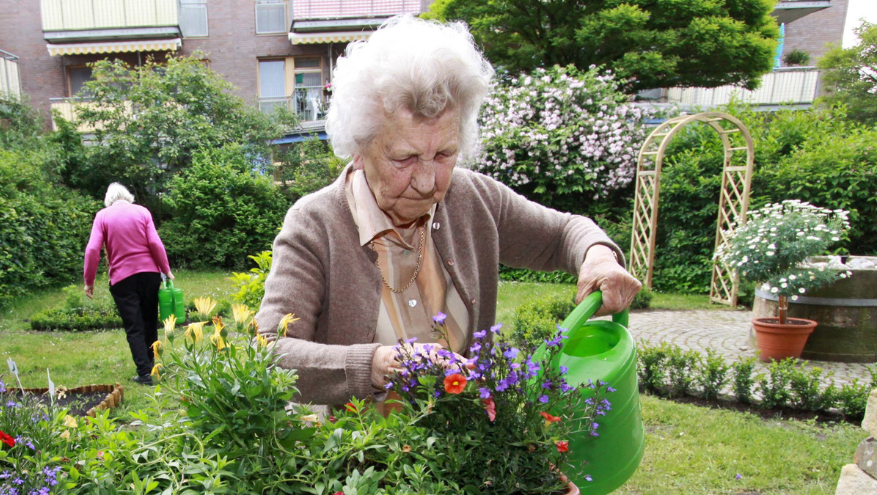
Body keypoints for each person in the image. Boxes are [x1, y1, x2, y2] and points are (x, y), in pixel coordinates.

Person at [255, 16, 641, 406]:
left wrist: (599, 257)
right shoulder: (315, 224)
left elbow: (564, 235)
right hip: (355, 461)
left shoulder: (473, 199)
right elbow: (269, 352)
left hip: (464, 456)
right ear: (359, 146)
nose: (427, 181)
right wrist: (380, 365)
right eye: (403, 157)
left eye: (444, 154)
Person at [84, 183, 174, 385]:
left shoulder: (103, 216)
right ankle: (153, 367)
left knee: (134, 326)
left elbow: (92, 250)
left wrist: (89, 281)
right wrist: (165, 268)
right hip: (150, 274)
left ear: (109, 200)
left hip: (122, 279)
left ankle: (144, 373)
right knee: (150, 320)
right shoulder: (142, 212)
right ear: (128, 196)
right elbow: (155, 243)